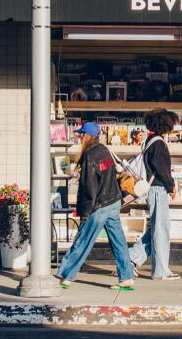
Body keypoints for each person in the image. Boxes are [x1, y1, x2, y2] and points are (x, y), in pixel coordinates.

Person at [57, 121, 135, 292]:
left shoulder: (90, 156)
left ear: (87, 136)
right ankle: (127, 277)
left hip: (98, 205)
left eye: (80, 134)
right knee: (119, 241)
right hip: (113, 201)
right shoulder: (104, 150)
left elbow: (88, 186)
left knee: (83, 240)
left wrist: (84, 211)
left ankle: (65, 275)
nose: (78, 137)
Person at [129, 108, 180, 281]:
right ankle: (160, 270)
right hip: (158, 190)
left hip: (154, 190)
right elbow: (162, 170)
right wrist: (172, 187)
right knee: (161, 230)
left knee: (155, 230)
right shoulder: (159, 144)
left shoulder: (150, 141)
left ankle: (131, 258)